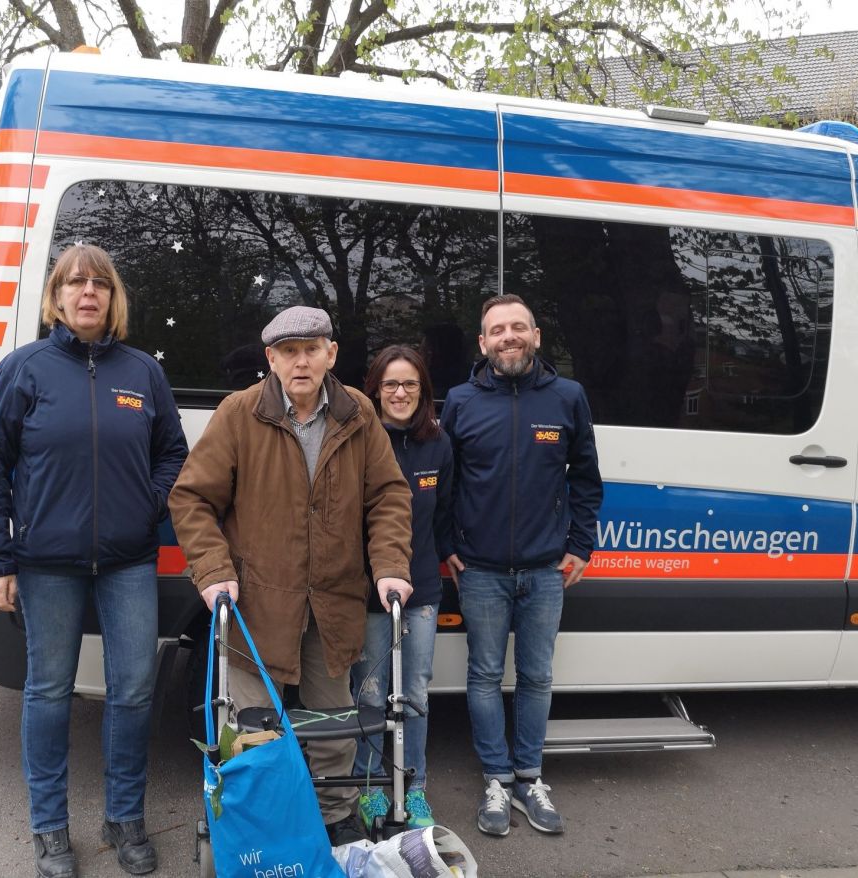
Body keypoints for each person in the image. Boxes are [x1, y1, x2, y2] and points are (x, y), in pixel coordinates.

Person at [0, 243, 188, 877]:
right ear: (56, 298)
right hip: (46, 564)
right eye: (75, 283)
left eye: (100, 284)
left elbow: (171, 451)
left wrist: (146, 504)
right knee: (47, 693)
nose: (88, 292)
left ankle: (125, 819)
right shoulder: (24, 369)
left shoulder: (142, 372)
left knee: (134, 690)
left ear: (113, 298)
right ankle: (50, 829)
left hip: (127, 562)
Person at [168, 305, 414, 847]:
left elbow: (389, 495)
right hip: (257, 602)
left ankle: (334, 815)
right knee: (252, 725)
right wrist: (212, 571)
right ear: (270, 359)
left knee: (333, 722)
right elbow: (191, 498)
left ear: (331, 354)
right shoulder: (239, 412)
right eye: (288, 351)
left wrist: (391, 566)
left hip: (333, 600)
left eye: (311, 349)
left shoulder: (359, 414)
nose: (300, 362)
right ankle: (257, 819)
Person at [440, 293, 602, 838]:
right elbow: (445, 482)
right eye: (496, 330)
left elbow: (585, 477)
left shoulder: (568, 397)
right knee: (484, 676)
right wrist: (446, 544)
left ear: (535, 336)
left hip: (545, 570)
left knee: (536, 677)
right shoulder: (460, 401)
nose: (507, 337)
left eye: (518, 327)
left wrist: (581, 543)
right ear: (483, 343)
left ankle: (531, 778)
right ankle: (495, 779)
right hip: (480, 570)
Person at [351, 345, 453, 831]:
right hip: (369, 590)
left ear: (423, 391)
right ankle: (369, 787)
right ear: (374, 390)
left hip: (424, 589)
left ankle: (413, 788)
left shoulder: (439, 443)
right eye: (390, 384)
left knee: (414, 692)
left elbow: (447, 511)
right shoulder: (359, 441)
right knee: (370, 692)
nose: (400, 393)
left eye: (410, 383)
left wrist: (447, 553)